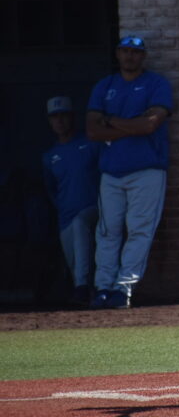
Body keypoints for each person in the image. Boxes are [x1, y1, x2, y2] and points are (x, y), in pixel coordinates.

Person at [86, 36, 173, 309]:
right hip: (111, 172)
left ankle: (123, 290)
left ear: (143, 56)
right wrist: (130, 125)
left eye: (135, 52)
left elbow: (150, 125)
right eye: (125, 51)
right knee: (108, 231)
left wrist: (110, 120)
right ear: (117, 54)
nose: (129, 57)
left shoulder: (156, 84)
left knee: (139, 230)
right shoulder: (105, 85)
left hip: (147, 169)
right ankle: (102, 287)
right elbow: (92, 131)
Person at [42, 96, 101, 306]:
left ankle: (86, 288)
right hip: (65, 217)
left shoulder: (90, 143)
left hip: (92, 210)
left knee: (81, 224)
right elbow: (50, 188)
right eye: (55, 117)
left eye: (64, 116)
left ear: (72, 117)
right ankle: (90, 316)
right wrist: (60, 207)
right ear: (50, 121)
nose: (60, 121)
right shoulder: (50, 156)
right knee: (76, 268)